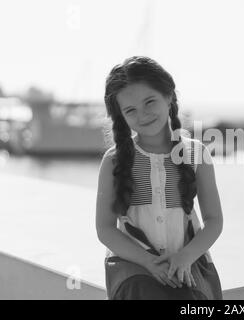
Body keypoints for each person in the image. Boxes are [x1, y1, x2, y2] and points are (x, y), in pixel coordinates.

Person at [96, 56, 223, 300]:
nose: (143, 115)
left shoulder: (197, 154)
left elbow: (214, 220)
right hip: (133, 264)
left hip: (188, 260)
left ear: (169, 97)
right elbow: (104, 228)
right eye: (130, 110)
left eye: (150, 102)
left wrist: (184, 257)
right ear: (121, 116)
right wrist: (148, 261)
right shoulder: (114, 160)